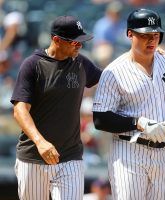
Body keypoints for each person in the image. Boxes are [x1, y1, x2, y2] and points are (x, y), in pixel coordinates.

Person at [92, 8, 165, 200]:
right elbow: (101, 119)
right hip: (129, 152)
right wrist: (138, 123)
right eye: (146, 35)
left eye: (156, 35)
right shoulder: (114, 71)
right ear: (130, 34)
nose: (152, 40)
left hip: (164, 152)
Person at [10, 15, 102, 200]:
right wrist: (40, 141)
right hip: (34, 156)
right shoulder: (33, 65)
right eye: (74, 42)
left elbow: (112, 76)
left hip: (71, 156)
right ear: (56, 40)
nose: (80, 46)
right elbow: (19, 110)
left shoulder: (81, 63)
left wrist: (144, 55)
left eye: (81, 41)